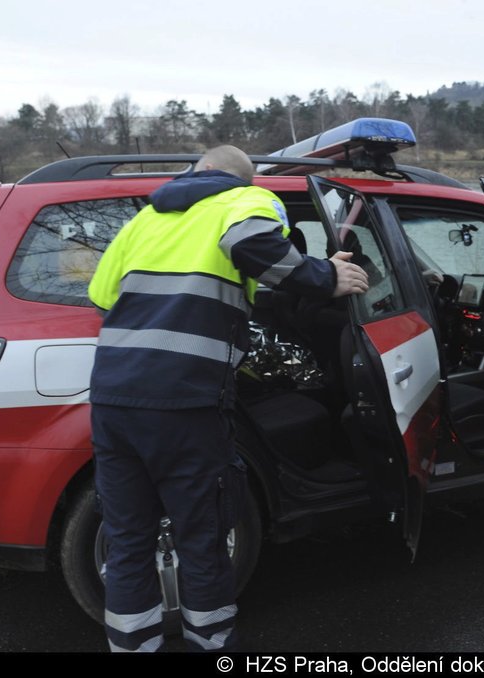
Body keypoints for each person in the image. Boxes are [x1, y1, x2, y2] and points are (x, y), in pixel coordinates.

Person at [87, 145, 369, 652]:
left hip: (113, 401)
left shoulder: (146, 219)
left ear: (198, 171)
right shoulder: (243, 202)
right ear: (245, 178)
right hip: (184, 406)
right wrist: (326, 276)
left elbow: (102, 296)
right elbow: (260, 250)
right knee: (202, 541)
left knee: (129, 543)